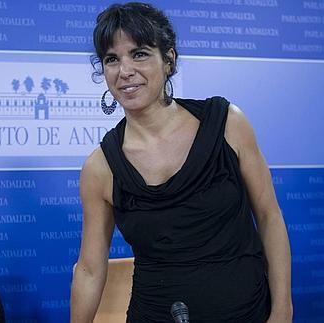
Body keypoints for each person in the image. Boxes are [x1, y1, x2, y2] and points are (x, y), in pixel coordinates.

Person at [70, 2, 292, 322]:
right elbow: (90, 269)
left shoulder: (227, 123)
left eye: (140, 53)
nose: (125, 70)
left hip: (248, 311)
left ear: (169, 60)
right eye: (111, 59)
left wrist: (283, 309)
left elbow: (269, 216)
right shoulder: (100, 167)